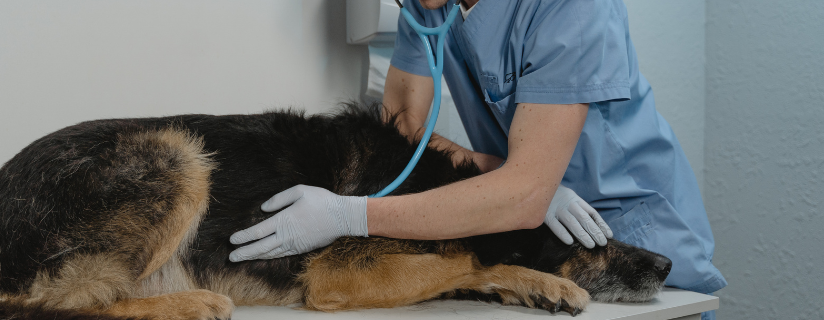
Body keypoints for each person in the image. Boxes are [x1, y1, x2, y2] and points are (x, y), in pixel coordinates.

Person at [229, 0, 726, 318]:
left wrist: (348, 215)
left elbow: (527, 196)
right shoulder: (429, 5)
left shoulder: (572, 8)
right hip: (523, 228)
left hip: (629, 230)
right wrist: (500, 175)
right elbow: (401, 125)